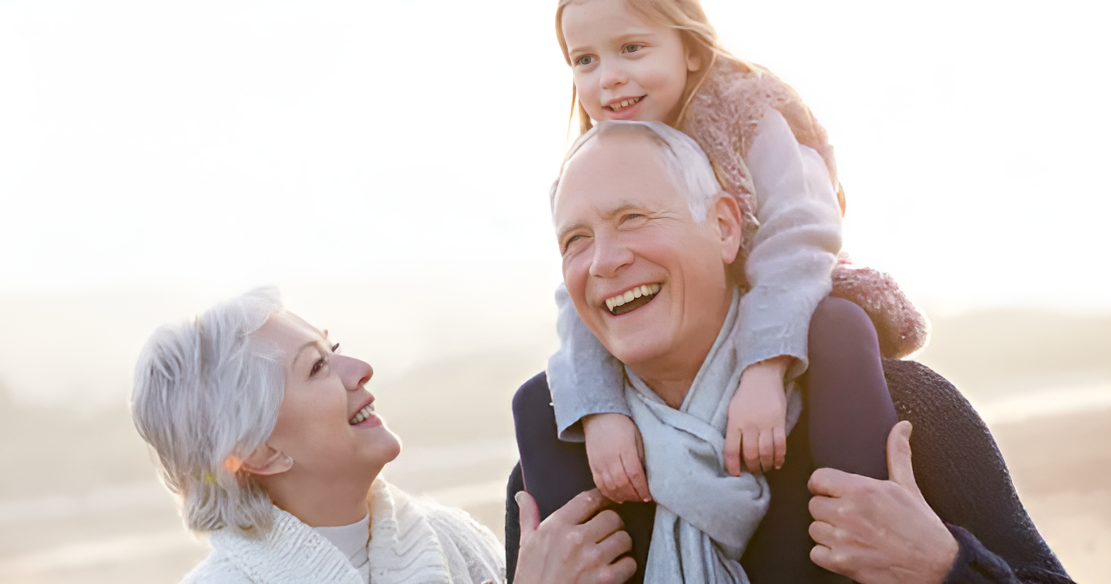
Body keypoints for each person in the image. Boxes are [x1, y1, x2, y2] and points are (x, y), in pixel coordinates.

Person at [509, 121, 1073, 583]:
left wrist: (944, 567)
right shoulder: (554, 480)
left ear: (725, 226)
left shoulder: (902, 409)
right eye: (574, 240)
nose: (604, 261)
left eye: (632, 217)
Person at [547, 0, 923, 510]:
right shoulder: (602, 159)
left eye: (631, 49)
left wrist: (764, 369)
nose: (608, 78)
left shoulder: (748, 114)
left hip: (788, 299)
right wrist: (599, 411)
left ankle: (860, 509)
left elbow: (799, 234)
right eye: (584, 60)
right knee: (537, 400)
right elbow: (584, 294)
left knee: (839, 326)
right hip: (686, 327)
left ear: (692, 51)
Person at [131, 287, 636, 584]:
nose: (361, 370)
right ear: (261, 451)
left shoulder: (450, 540)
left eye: (336, 348)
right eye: (316, 368)